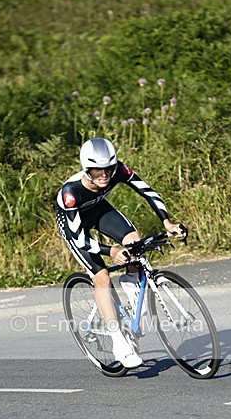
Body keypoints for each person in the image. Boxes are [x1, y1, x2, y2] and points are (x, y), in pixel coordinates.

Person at [56, 137, 186, 368]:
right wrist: (111, 250)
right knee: (102, 277)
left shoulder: (117, 170)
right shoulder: (71, 192)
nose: (104, 175)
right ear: (87, 169)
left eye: (108, 169)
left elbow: (147, 191)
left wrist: (167, 222)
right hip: (75, 226)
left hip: (99, 210)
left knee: (135, 242)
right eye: (97, 170)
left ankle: (131, 278)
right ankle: (117, 340)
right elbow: (79, 239)